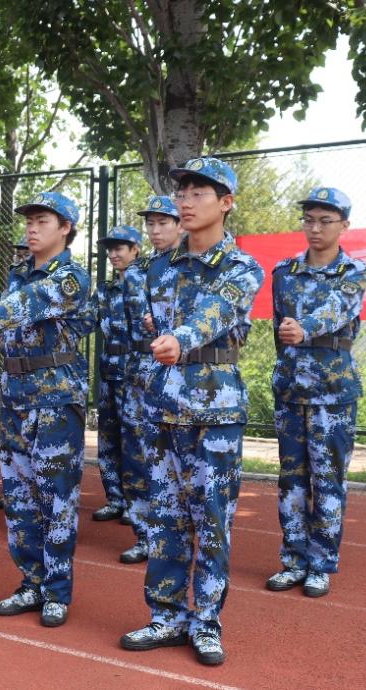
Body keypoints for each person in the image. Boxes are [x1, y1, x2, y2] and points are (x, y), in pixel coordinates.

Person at [119, 157, 263, 667]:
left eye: (199, 193)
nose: (185, 201)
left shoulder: (241, 267)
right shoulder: (158, 267)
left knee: (213, 521)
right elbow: (148, 328)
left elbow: (214, 313)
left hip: (214, 411)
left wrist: (179, 338)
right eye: (182, 192)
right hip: (163, 408)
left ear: (226, 203)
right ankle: (166, 616)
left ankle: (205, 623)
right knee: (165, 518)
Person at [0, 191, 91, 627]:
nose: (32, 228)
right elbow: (17, 318)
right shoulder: (19, 273)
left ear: (65, 228)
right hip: (15, 396)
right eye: (29, 221)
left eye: (42, 221)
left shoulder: (71, 277)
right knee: (19, 497)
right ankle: (31, 581)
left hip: (55, 398)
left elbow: (29, 304)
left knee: (56, 497)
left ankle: (56, 591)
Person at [265, 187, 366, 599]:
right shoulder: (284, 272)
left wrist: (305, 327)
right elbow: (279, 328)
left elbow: (337, 311)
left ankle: (321, 564)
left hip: (333, 393)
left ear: (344, 225)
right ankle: (293, 559)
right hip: (291, 389)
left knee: (328, 480)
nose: (315, 228)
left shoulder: (354, 272)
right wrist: (287, 358)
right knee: (291, 479)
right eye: (309, 220)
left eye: (325, 221)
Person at [118, 196, 182, 564]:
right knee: (139, 457)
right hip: (140, 375)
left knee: (178, 461)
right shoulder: (138, 271)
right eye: (150, 224)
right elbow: (140, 321)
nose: (155, 231)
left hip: (180, 376)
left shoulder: (192, 266)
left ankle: (177, 536)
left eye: (163, 223)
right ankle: (145, 534)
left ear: (180, 224)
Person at [90, 225, 141, 524]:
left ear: (135, 250)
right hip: (108, 373)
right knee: (107, 439)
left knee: (133, 441)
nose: (113, 254)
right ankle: (115, 499)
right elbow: (87, 320)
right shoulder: (105, 291)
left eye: (119, 248)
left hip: (134, 376)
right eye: (110, 249)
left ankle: (136, 504)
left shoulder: (145, 286)